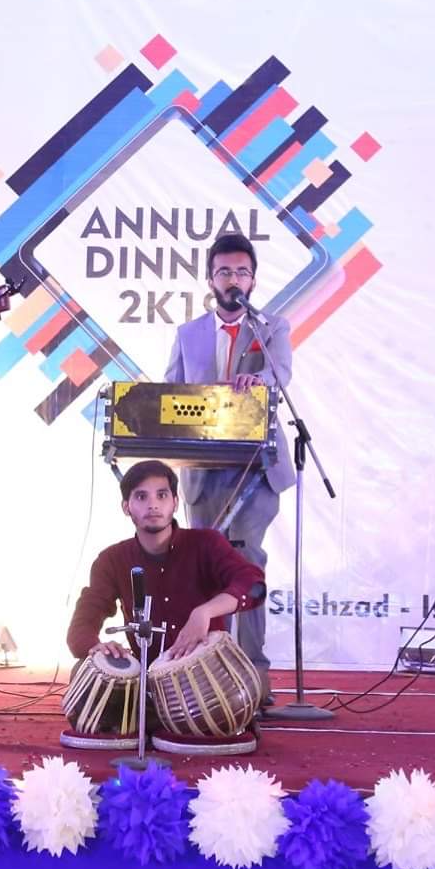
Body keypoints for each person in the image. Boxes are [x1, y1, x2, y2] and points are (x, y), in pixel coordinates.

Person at [161, 231, 292, 693]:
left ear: (252, 280)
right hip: (202, 472)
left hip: (257, 468)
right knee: (204, 567)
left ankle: (253, 676)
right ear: (210, 280)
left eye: (241, 272)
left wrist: (256, 380)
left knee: (245, 563)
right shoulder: (188, 334)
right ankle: (204, 676)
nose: (232, 279)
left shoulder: (272, 327)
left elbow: (280, 373)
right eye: (224, 272)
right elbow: (170, 390)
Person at [67, 461, 266, 664]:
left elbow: (253, 585)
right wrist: (95, 647)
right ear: (126, 507)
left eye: (161, 495)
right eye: (141, 497)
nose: (153, 505)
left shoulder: (206, 543)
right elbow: (83, 622)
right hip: (147, 674)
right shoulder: (111, 560)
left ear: (175, 503)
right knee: (84, 667)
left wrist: (204, 612)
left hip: (207, 671)